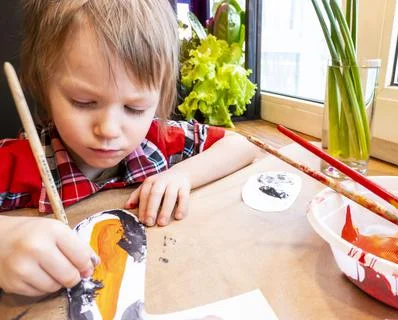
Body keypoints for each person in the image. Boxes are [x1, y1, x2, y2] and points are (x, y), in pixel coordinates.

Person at [0, 0, 258, 297]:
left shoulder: (157, 140)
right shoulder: (17, 162)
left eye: (135, 108)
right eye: (83, 102)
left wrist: (181, 175)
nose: (109, 129)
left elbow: (240, 145)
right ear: (43, 86)